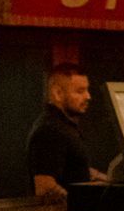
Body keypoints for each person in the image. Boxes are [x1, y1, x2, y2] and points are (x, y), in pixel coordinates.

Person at [27, 63, 107, 202]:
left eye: (87, 90)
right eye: (80, 91)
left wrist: (110, 180)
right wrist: (79, 204)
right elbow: (45, 186)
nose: (88, 96)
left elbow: (73, 168)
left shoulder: (65, 126)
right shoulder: (50, 129)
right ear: (58, 94)